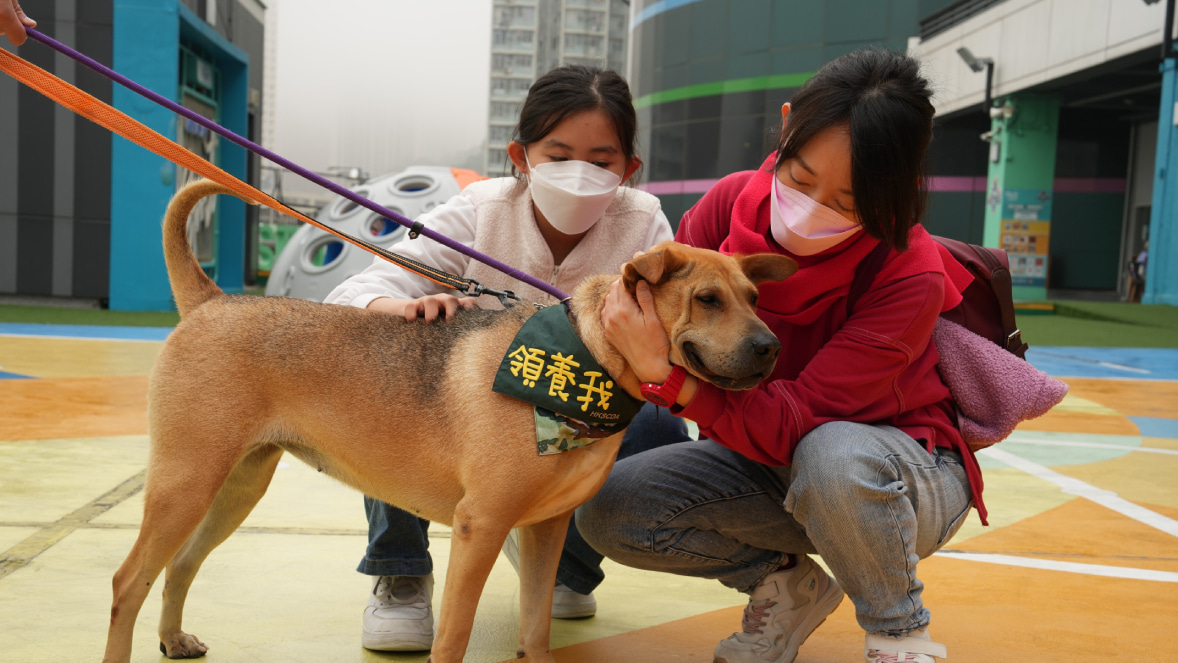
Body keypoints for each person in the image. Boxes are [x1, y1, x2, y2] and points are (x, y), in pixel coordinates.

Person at [578, 49, 982, 663]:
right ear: (787, 124)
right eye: (798, 178)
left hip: (899, 472)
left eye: (851, 202)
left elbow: (801, 421)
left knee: (832, 454)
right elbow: (653, 316)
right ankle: (783, 584)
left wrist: (669, 381)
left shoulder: (910, 272)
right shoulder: (729, 203)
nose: (815, 206)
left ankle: (898, 632)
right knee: (609, 509)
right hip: (763, 455)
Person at [323, 64, 689, 652]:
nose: (580, 175)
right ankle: (401, 571)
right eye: (558, 154)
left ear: (629, 169)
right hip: (470, 418)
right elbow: (355, 292)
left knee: (659, 429)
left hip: (579, 416)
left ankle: (565, 568)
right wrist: (394, 307)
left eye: (602, 161)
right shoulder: (479, 210)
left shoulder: (644, 222)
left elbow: (669, 329)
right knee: (394, 380)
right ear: (520, 156)